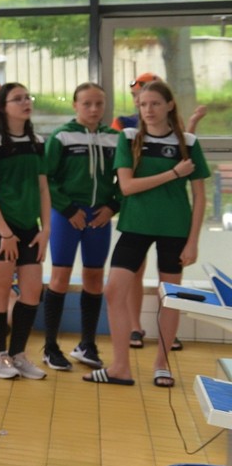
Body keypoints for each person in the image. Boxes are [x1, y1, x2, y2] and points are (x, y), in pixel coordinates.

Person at [86, 79, 210, 389]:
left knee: (170, 298)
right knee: (114, 291)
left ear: (169, 105)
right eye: (143, 104)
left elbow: (200, 197)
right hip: (135, 226)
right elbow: (127, 186)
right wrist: (173, 173)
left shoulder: (188, 143)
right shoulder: (129, 138)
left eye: (155, 103)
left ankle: (162, 365)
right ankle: (120, 367)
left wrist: (193, 241)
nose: (148, 110)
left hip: (174, 229)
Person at [41, 82, 119, 371]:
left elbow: (125, 178)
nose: (94, 109)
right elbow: (45, 178)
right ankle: (50, 347)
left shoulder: (115, 138)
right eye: (87, 103)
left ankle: (87, 344)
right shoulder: (62, 136)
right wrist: (68, 208)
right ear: (75, 105)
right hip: (67, 215)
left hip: (99, 216)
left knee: (95, 278)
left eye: (99, 103)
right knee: (59, 277)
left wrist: (112, 206)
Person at [0, 82, 52, 380]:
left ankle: (18, 354)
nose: (25, 102)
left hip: (29, 227)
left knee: (32, 290)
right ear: (2, 107)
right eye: (17, 99)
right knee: (1, 287)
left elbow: (43, 188)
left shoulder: (38, 142)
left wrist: (45, 230)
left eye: (27, 97)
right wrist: (6, 234)